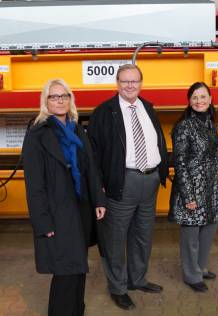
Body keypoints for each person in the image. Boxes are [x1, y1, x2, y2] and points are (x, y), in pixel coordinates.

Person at [87, 64, 169, 310]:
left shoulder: (148, 107)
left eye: (134, 81)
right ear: (117, 83)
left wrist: (160, 171)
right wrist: (100, 187)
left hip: (150, 180)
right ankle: (118, 288)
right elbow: (93, 154)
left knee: (143, 235)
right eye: (125, 81)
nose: (130, 85)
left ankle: (138, 279)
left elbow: (157, 140)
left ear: (141, 83)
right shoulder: (104, 112)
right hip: (122, 182)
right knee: (115, 239)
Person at [22, 79, 106, 316]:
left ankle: (77, 311)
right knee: (66, 271)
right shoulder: (37, 134)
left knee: (78, 267)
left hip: (80, 210)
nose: (59, 100)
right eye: (53, 96)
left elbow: (90, 167)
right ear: (45, 101)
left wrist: (99, 200)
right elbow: (34, 184)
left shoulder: (77, 129)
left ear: (70, 100)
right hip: (56, 214)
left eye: (64, 96)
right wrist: (42, 222)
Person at [169, 82, 218, 292]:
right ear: (189, 102)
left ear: (210, 99)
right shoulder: (184, 127)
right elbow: (179, 162)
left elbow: (212, 155)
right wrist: (188, 196)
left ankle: (199, 267)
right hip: (191, 188)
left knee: (209, 229)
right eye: (194, 98)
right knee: (191, 235)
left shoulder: (210, 124)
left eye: (202, 97)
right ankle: (192, 275)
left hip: (210, 188)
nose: (199, 101)